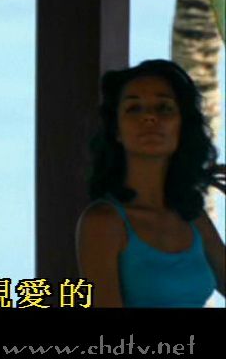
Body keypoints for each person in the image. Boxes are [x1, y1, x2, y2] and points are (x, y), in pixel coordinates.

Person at [77, 59, 225, 307]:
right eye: (134, 108)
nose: (149, 117)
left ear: (182, 126)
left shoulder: (192, 217)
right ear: (117, 130)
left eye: (164, 108)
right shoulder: (103, 222)